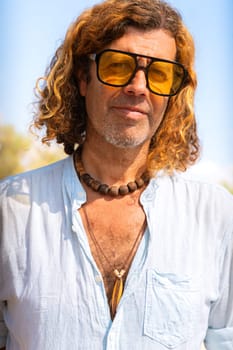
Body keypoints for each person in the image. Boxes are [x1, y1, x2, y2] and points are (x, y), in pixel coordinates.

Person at [0, 0, 232, 348]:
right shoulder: (11, 211)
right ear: (82, 78)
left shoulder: (215, 214)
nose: (139, 87)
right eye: (119, 65)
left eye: (159, 74)